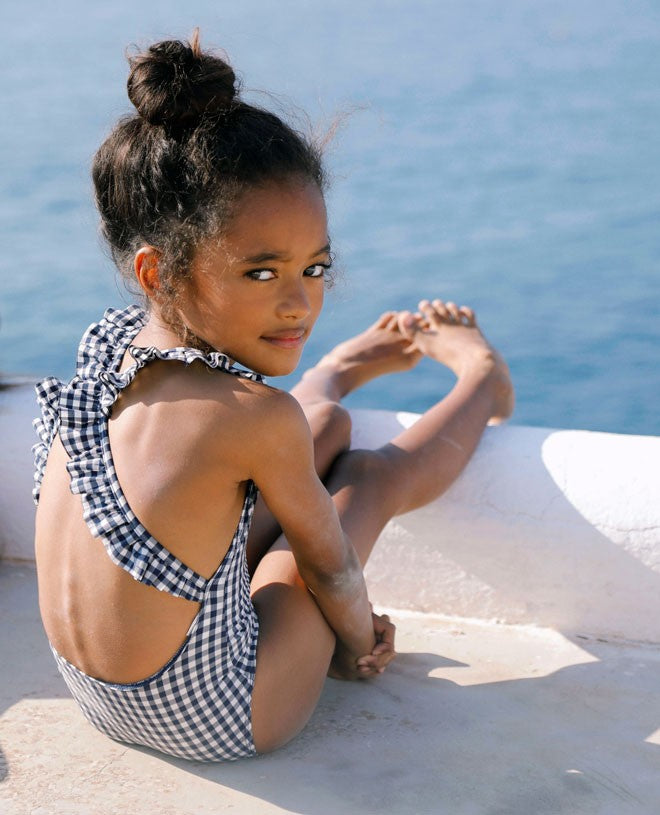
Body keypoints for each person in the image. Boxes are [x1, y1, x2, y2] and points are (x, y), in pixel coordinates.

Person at [32, 32, 514, 763]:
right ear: (159, 272)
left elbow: (235, 429)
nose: (300, 303)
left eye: (315, 268)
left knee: (321, 421)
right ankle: (482, 375)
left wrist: (316, 381)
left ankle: (338, 372)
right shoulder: (254, 418)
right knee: (366, 479)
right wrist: (357, 643)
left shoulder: (109, 347)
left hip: (95, 694)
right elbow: (331, 570)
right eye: (262, 274)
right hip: (213, 717)